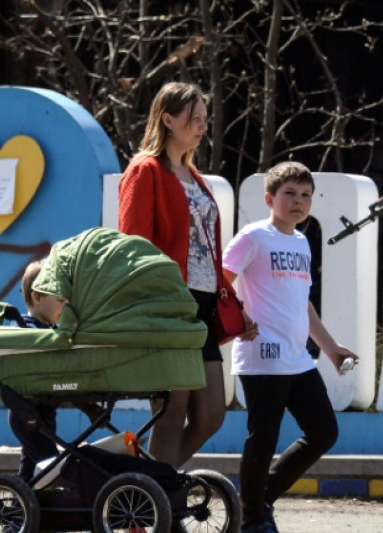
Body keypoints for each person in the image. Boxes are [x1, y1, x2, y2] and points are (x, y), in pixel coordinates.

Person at [118, 81, 258, 470]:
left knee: (212, 413)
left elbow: (207, 254)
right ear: (167, 119)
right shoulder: (145, 170)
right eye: (194, 119)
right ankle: (157, 504)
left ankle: (145, 488)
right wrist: (150, 302)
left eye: (204, 118)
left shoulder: (195, 177)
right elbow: (132, 245)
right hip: (167, 306)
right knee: (171, 408)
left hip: (204, 305)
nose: (202, 126)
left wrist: (234, 303)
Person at [222, 161, 359, 533]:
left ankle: (257, 499)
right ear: (269, 198)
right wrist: (237, 321)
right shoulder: (253, 237)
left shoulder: (300, 242)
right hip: (261, 356)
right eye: (289, 194)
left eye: (305, 196)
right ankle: (253, 518)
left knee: (323, 432)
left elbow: (303, 304)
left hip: (298, 359)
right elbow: (221, 283)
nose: (298, 202)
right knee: (263, 439)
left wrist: (330, 349)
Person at [6, 259, 68, 480]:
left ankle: (18, 506)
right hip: (27, 413)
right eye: (60, 299)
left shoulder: (52, 328)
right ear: (36, 297)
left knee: (32, 468)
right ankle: (20, 504)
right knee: (51, 465)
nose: (65, 305)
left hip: (44, 412)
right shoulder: (24, 327)